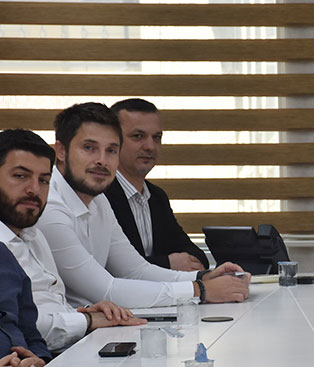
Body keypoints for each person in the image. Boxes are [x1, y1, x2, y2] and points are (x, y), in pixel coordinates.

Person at [36, 102, 250, 309]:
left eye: (111, 150)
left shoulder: (99, 199)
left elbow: (135, 270)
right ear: (61, 151)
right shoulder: (48, 206)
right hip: (61, 330)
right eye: (89, 148)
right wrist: (200, 290)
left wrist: (203, 277)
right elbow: (107, 290)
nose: (102, 160)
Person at [0, 129, 146, 352]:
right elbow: (19, 326)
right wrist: (87, 321)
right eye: (20, 176)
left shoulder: (34, 235)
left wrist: (85, 312)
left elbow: (52, 304)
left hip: (62, 352)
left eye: (44, 180)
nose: (34, 190)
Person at [105, 98, 208, 271]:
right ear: (113, 141)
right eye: (138, 136)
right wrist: (167, 263)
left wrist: (175, 262)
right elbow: (110, 267)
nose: (150, 147)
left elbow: (194, 254)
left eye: (157, 137)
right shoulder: (100, 195)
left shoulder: (157, 196)